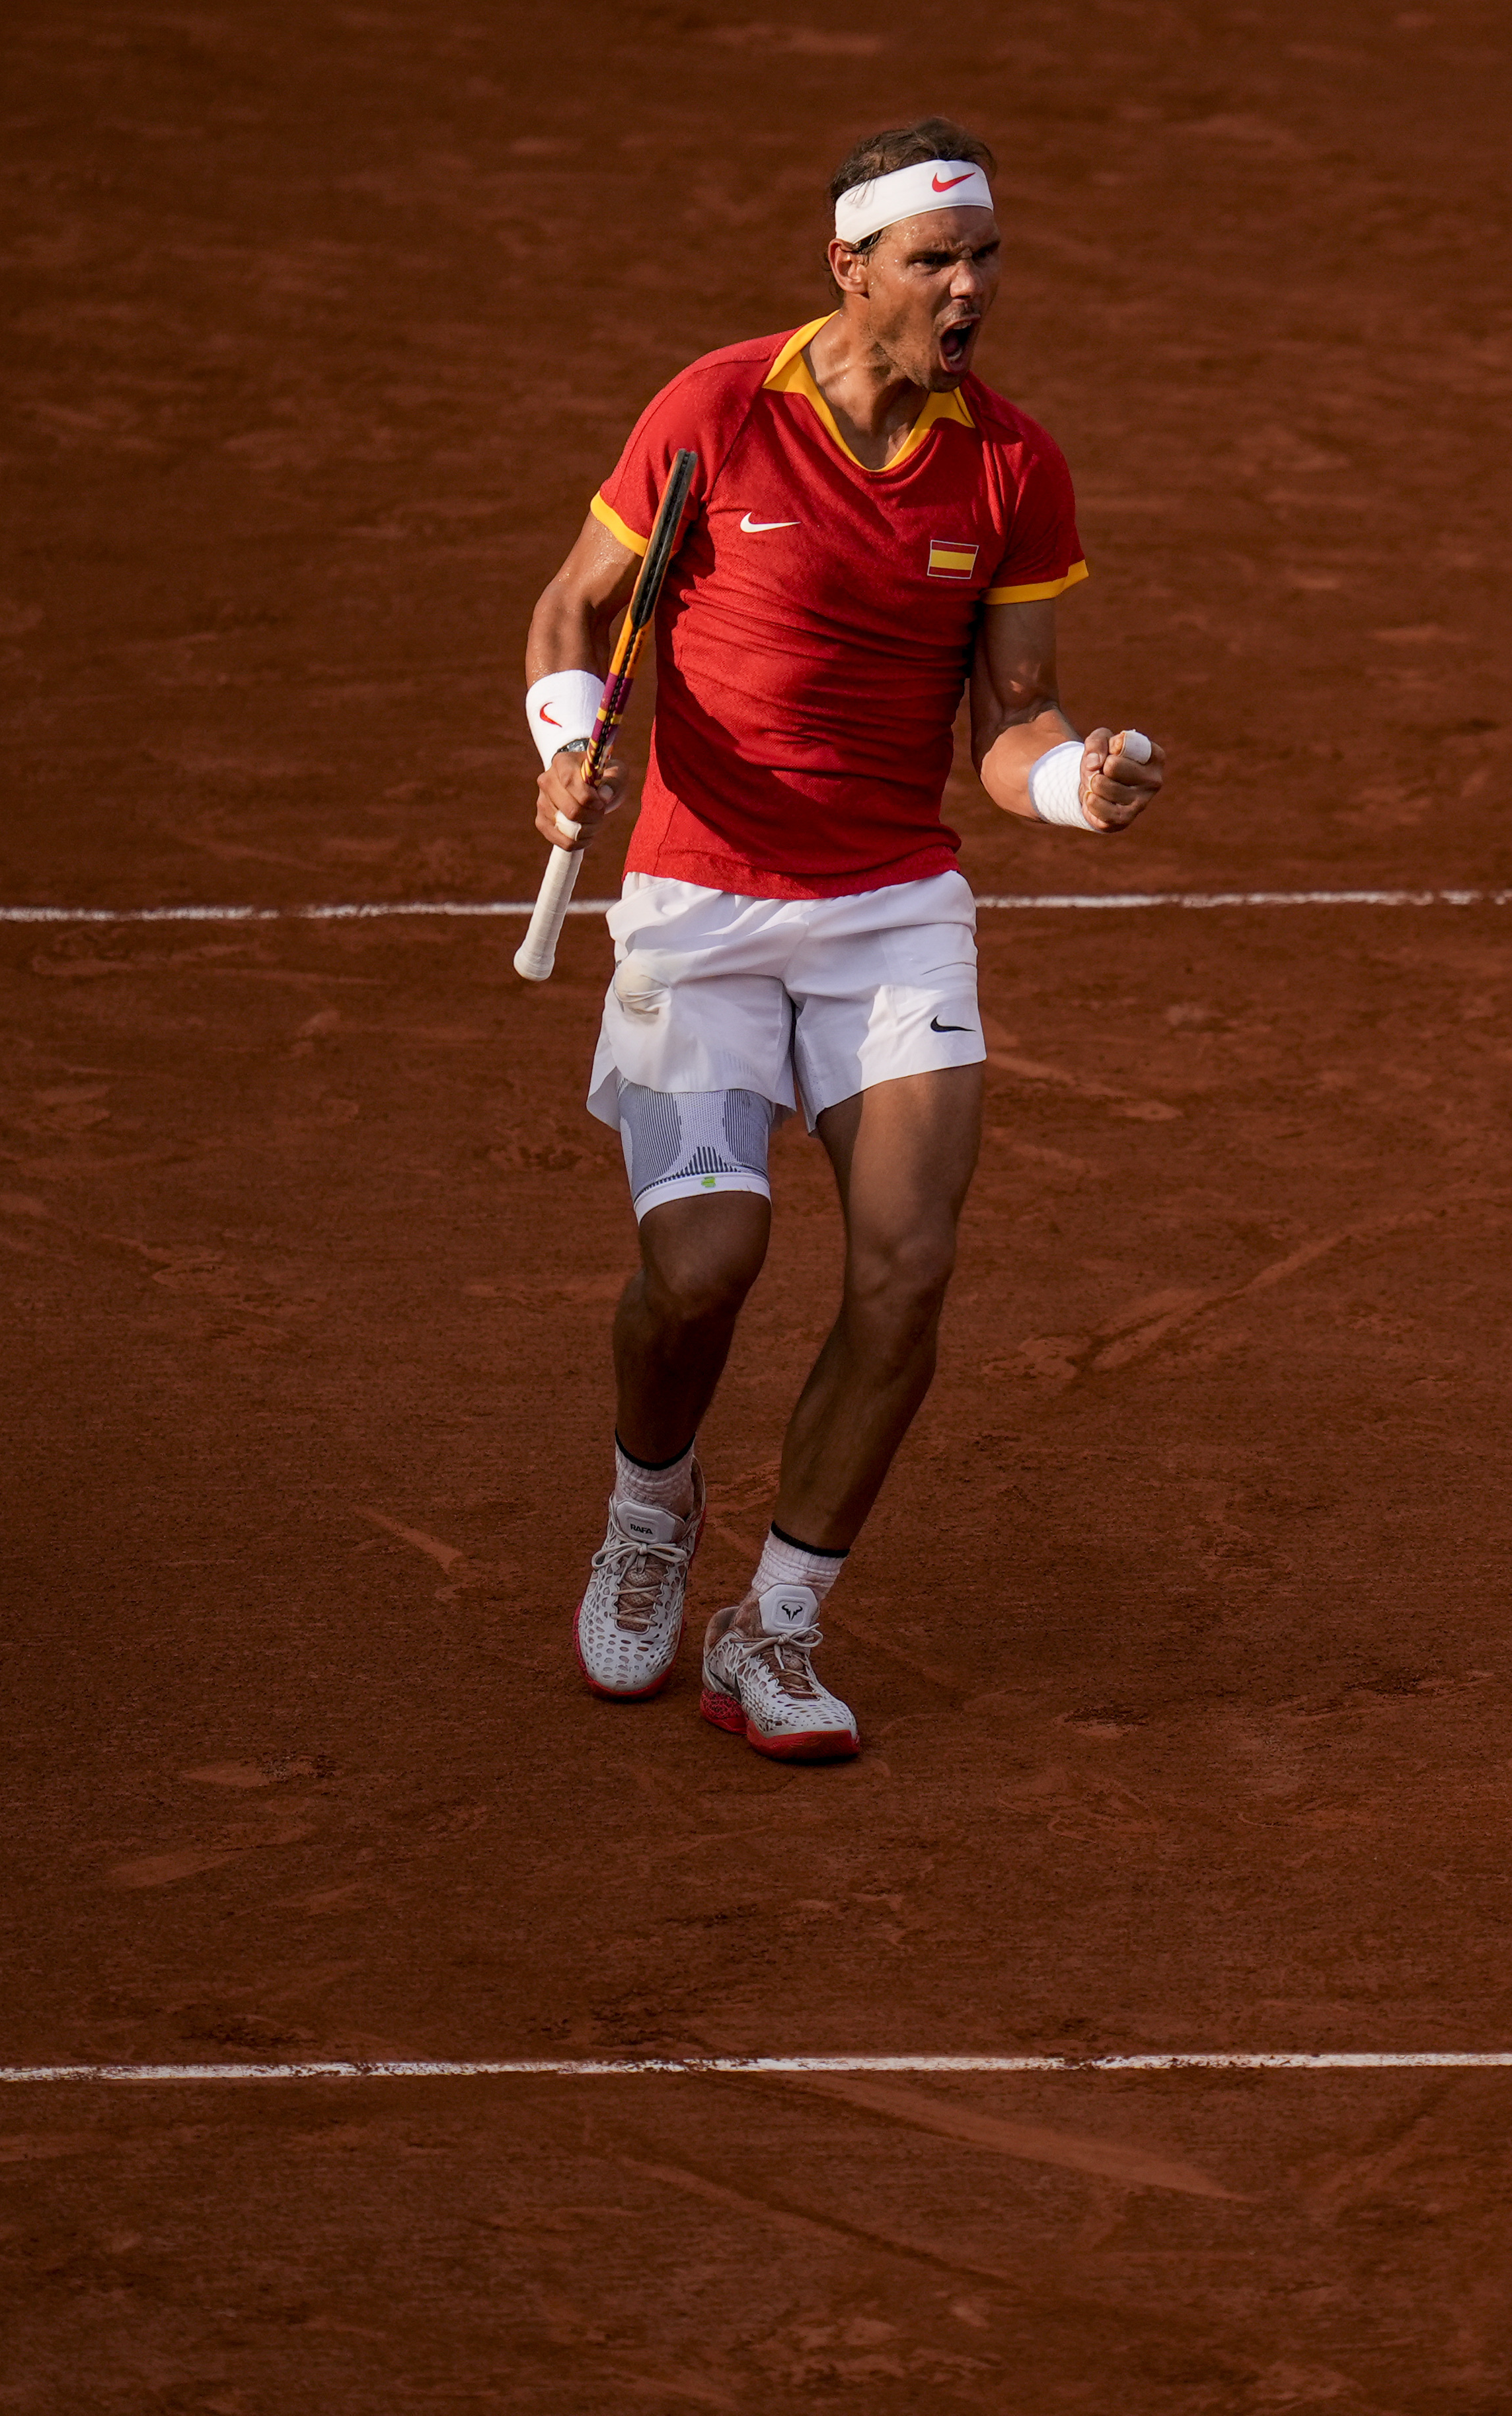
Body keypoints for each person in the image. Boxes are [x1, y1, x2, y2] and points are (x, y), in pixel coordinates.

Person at [521, 117, 1165, 1762]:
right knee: (700, 1274)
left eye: (987, 256)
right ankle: (649, 1506)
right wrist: (567, 737)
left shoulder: (1011, 465)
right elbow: (577, 605)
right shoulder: (716, 411)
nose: (971, 287)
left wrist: (1076, 789)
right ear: (851, 269)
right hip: (694, 915)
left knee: (908, 1271)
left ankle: (777, 1626)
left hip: (888, 918)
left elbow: (1009, 726)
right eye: (937, 260)